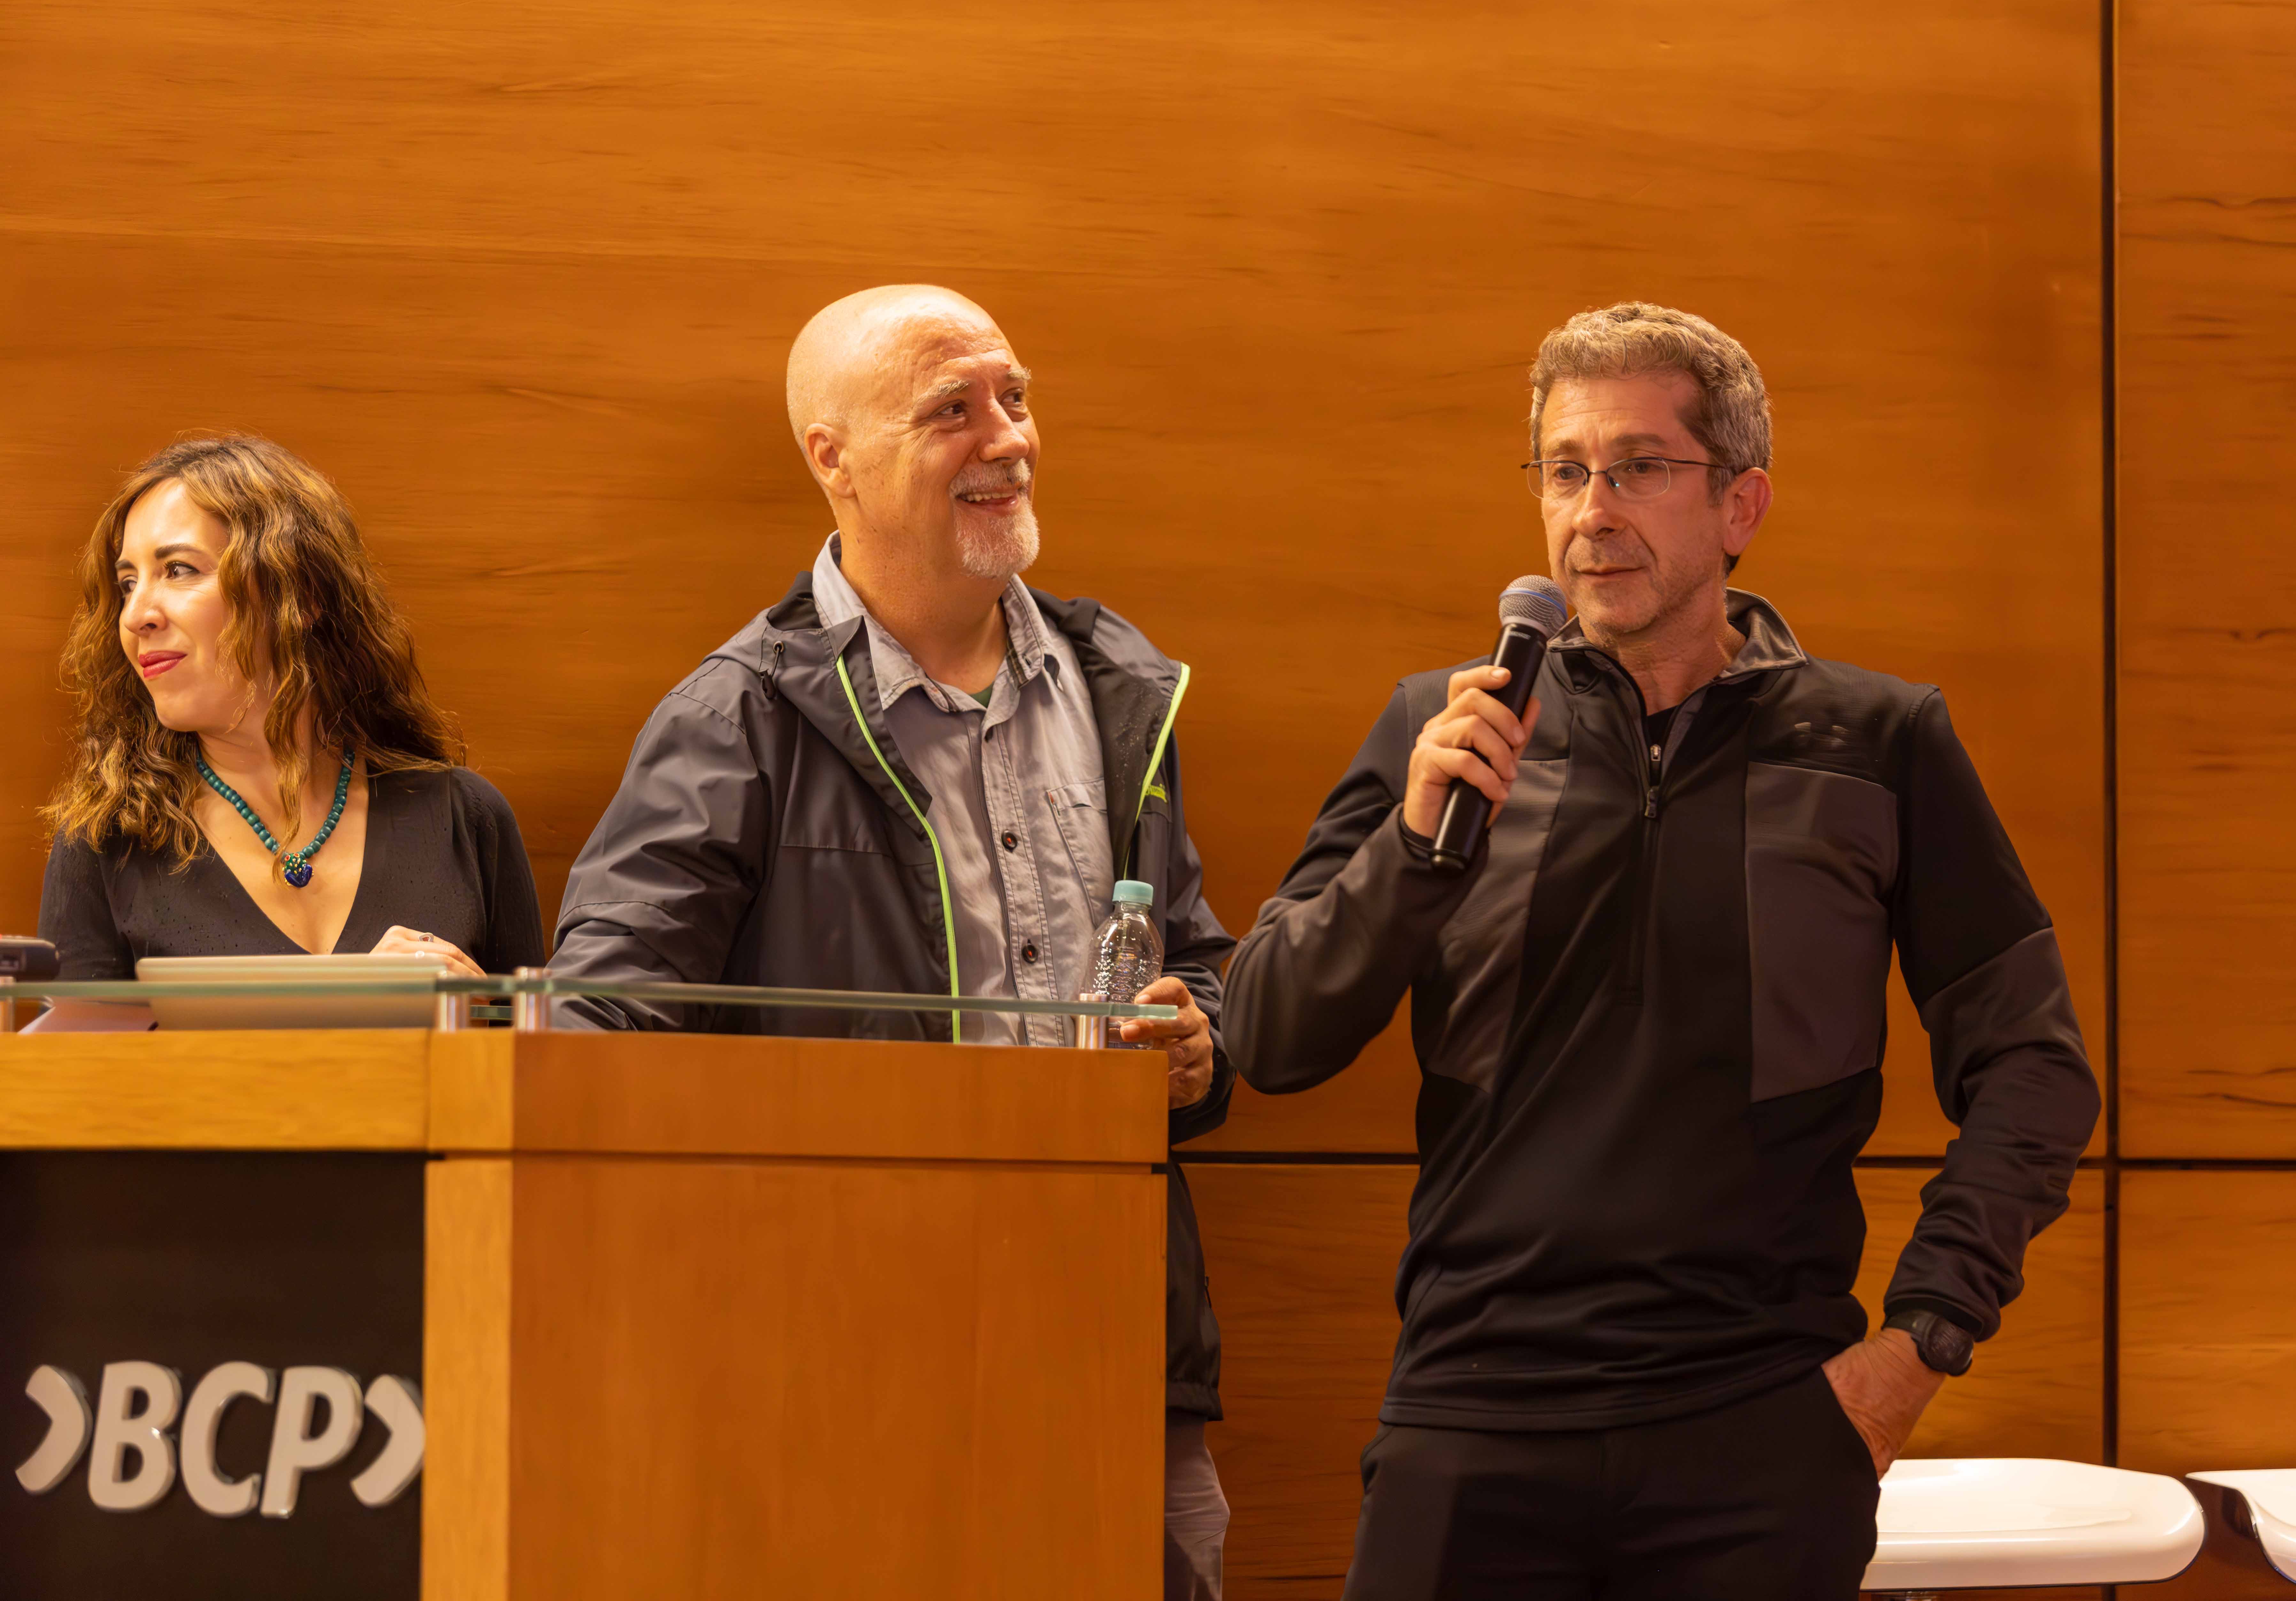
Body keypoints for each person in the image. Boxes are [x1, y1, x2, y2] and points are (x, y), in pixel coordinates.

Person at [1223, 303, 2100, 1599]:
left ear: (1739, 504)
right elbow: (1265, 1034)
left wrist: (1917, 1346)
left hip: (1757, 1434)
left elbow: (2032, 1066)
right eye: (1563, 470)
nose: (1591, 511)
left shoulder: (1876, 743)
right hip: (1471, 1415)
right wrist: (1410, 850)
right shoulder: (1439, 732)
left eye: (1637, 467)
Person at [552, 284, 1237, 1599]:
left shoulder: (1118, 691)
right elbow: (603, 1017)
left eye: (1014, 397)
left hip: (1118, 1341)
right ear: (834, 458)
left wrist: (1199, 1040)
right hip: (848, 1367)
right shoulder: (736, 717)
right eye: (950, 410)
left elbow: (1198, 964)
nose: (1007, 438)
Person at [40, 433, 545, 979]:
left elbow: (532, 1033)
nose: (136, 615)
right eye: (127, 584)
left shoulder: (465, 820)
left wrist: (472, 1016)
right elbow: (76, 1041)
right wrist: (357, 1007)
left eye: (179, 570)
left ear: (301, 594)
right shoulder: (106, 844)